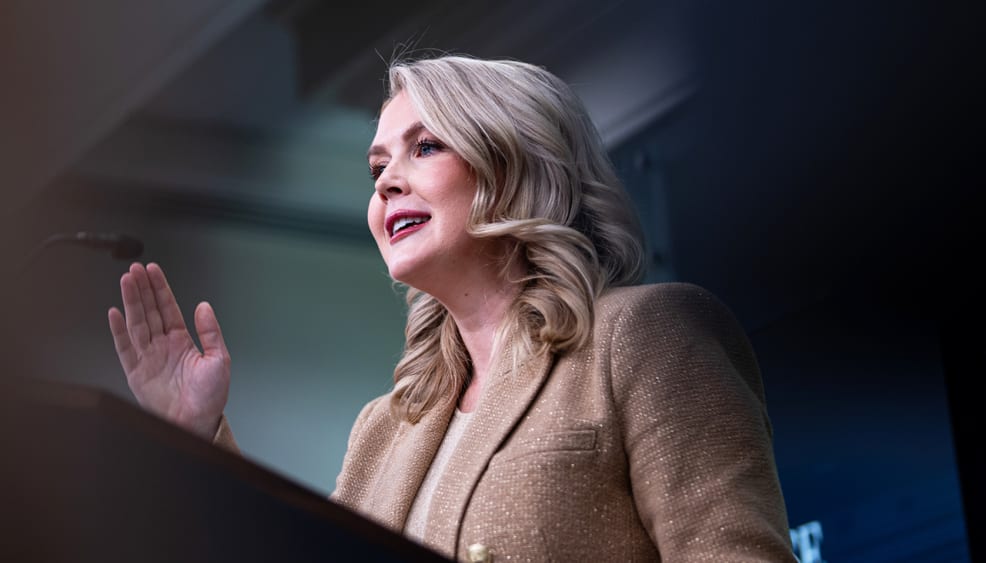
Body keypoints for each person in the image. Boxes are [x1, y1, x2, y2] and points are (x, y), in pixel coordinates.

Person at [109, 55, 796, 562]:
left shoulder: (648, 335)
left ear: (517, 164)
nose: (387, 185)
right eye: (377, 170)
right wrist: (196, 439)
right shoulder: (383, 427)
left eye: (425, 146)